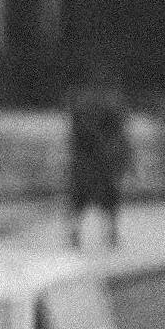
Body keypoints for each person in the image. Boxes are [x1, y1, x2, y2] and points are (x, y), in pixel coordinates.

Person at [64, 74, 129, 250]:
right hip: (99, 157)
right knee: (102, 194)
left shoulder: (82, 102)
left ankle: (78, 232)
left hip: (89, 158)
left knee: (83, 195)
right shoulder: (110, 103)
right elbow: (117, 132)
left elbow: (77, 131)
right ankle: (109, 233)